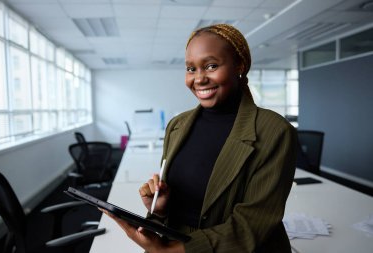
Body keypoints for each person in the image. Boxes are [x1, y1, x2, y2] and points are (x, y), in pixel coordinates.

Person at [101, 24, 297, 253]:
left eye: (211, 66)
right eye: (191, 69)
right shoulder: (177, 126)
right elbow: (183, 202)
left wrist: (172, 252)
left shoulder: (274, 130)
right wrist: (160, 209)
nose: (199, 78)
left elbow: (253, 224)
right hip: (175, 242)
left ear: (239, 66)